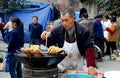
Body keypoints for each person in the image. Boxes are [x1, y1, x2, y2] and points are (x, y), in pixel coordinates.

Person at [41, 8, 96, 76]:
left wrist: (91, 66)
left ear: (74, 18)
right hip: (62, 66)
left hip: (77, 66)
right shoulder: (58, 30)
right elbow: (48, 43)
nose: (64, 23)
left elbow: (89, 47)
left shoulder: (83, 31)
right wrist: (44, 38)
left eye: (66, 20)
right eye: (62, 20)